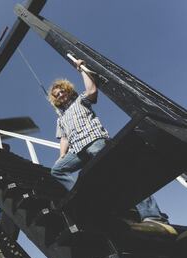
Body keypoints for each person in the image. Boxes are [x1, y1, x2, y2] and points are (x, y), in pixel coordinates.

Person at [48, 59, 174, 231]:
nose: (60, 95)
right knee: (57, 170)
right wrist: (62, 156)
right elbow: (64, 139)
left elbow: (92, 90)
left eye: (62, 91)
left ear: (68, 91)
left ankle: (154, 217)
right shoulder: (60, 119)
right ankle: (85, 196)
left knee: (122, 173)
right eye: (57, 95)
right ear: (55, 99)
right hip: (78, 151)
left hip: (94, 141)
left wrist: (81, 69)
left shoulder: (80, 101)